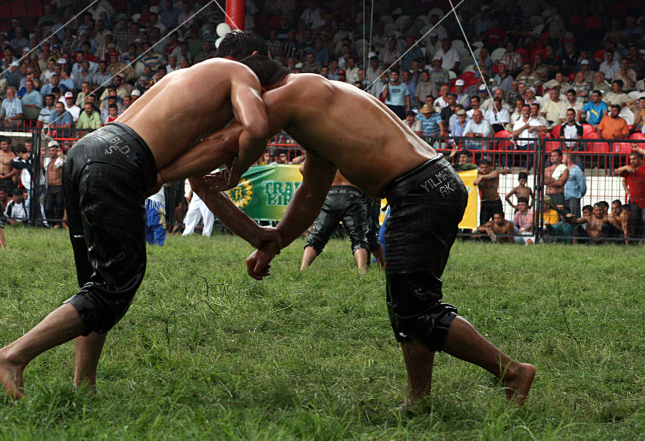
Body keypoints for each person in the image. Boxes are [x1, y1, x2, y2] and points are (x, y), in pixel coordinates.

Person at [158, 54, 535, 407]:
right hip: (424, 188)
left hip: (421, 191)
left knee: (418, 308)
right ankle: (418, 401)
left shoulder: (293, 92)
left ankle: (513, 372)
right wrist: (274, 245)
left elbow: (231, 140)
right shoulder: (315, 109)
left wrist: (160, 171)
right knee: (406, 304)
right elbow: (311, 194)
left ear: (255, 89)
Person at [0, 32, 275, 400]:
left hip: (87, 151)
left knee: (96, 284)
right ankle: (12, 356)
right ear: (254, 56)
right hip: (118, 163)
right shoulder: (240, 73)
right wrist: (237, 171)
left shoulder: (186, 80)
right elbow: (257, 128)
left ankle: (84, 386)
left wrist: (256, 236)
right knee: (113, 285)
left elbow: (202, 186)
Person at [299, 169, 372, 274]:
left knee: (316, 237)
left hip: (330, 193)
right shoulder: (357, 157)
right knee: (359, 238)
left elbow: (303, 168)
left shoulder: (329, 157)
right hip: (352, 193)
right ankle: (362, 271)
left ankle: (303, 269)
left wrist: (319, 182)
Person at [615, 145, 645, 239]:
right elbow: (616, 172)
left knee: (644, 220)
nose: (632, 161)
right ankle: (635, 239)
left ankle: (642, 239)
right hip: (634, 200)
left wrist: (639, 149)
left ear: (640, 159)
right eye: (631, 159)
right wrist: (625, 167)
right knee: (635, 220)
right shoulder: (628, 169)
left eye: (634, 159)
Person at [473, 158, 505, 226]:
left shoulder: (494, 173)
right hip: (485, 202)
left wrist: (481, 177)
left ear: (490, 167)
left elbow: (492, 175)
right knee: (483, 224)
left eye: (486, 167)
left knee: (498, 224)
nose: (484, 169)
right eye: (482, 167)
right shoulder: (477, 175)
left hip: (495, 202)